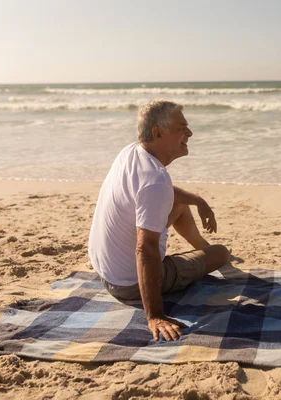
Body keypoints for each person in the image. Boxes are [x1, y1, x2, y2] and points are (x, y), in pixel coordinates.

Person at [88, 100, 231, 342]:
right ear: (158, 132)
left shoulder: (131, 152)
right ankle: (207, 253)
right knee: (221, 253)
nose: (190, 132)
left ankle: (201, 249)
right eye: (182, 127)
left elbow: (157, 191)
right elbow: (145, 249)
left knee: (180, 204)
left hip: (106, 271)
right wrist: (154, 315)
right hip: (128, 284)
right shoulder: (155, 180)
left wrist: (198, 200)